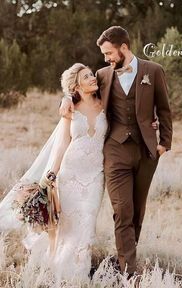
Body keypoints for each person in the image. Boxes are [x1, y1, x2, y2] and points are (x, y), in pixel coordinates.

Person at [60, 26, 173, 278]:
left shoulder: (153, 71)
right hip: (114, 150)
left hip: (146, 151)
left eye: (109, 52)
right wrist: (66, 97)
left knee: (137, 211)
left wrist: (164, 143)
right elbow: (79, 87)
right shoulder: (102, 75)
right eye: (103, 54)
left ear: (124, 47)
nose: (106, 58)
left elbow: (164, 109)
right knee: (123, 210)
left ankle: (123, 258)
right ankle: (129, 275)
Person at [0, 63, 108, 285]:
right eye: (86, 76)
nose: (92, 77)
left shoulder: (106, 102)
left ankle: (79, 274)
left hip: (95, 176)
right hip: (70, 175)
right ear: (76, 86)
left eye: (91, 74)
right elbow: (61, 145)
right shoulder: (70, 109)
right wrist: (51, 174)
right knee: (66, 226)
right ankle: (59, 270)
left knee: (87, 222)